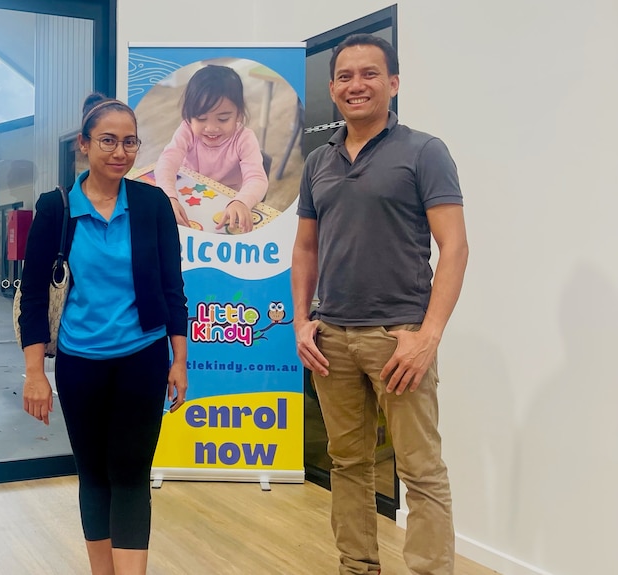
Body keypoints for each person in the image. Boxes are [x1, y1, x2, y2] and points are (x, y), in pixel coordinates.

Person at [291, 34, 469, 575]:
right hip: (332, 341)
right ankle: (357, 565)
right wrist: (302, 321)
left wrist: (428, 335)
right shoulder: (317, 162)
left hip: (398, 338)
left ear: (392, 83)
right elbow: (304, 247)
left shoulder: (424, 151)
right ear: (332, 88)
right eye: (345, 76)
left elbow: (455, 246)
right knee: (348, 464)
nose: (356, 85)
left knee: (420, 472)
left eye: (370, 74)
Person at [19, 93, 188, 575]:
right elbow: (33, 296)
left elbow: (173, 287)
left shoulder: (152, 203)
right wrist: (35, 371)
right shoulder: (56, 209)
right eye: (108, 141)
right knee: (94, 475)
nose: (120, 152)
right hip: (79, 364)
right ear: (84, 145)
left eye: (130, 142)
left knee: (131, 473)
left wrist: (179, 360)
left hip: (143, 357)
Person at [155, 64, 269, 233]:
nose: (211, 128)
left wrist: (241, 202)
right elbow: (166, 162)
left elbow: (257, 179)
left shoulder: (244, 138)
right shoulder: (187, 130)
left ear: (238, 114)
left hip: (227, 206)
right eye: (201, 118)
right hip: (188, 199)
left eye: (223, 119)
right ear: (188, 114)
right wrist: (168, 197)